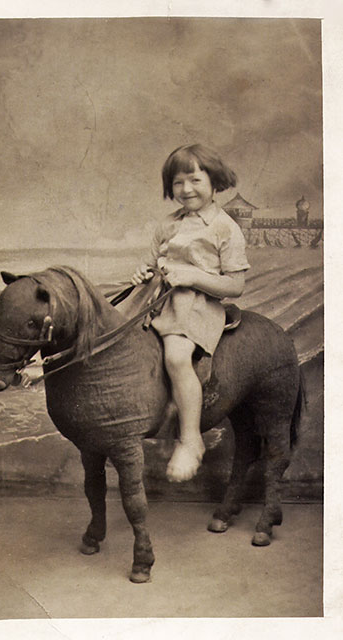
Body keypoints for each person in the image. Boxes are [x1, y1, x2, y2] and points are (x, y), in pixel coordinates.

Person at [131, 143, 250, 483]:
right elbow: (152, 262)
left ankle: (190, 438)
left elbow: (235, 285)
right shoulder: (168, 225)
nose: (186, 190)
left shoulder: (225, 228)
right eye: (178, 182)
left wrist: (194, 276)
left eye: (195, 180)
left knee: (177, 356)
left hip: (197, 306)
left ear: (214, 182)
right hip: (159, 299)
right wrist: (142, 272)